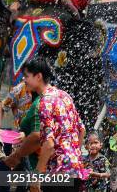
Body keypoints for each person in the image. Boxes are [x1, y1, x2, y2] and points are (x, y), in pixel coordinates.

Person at [22, 57, 86, 191]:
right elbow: (82, 130)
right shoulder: (64, 95)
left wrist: (36, 177)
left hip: (59, 174)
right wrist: (72, 155)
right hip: (76, 170)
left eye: (26, 76)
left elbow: (49, 144)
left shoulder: (44, 102)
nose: (24, 79)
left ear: (38, 76)